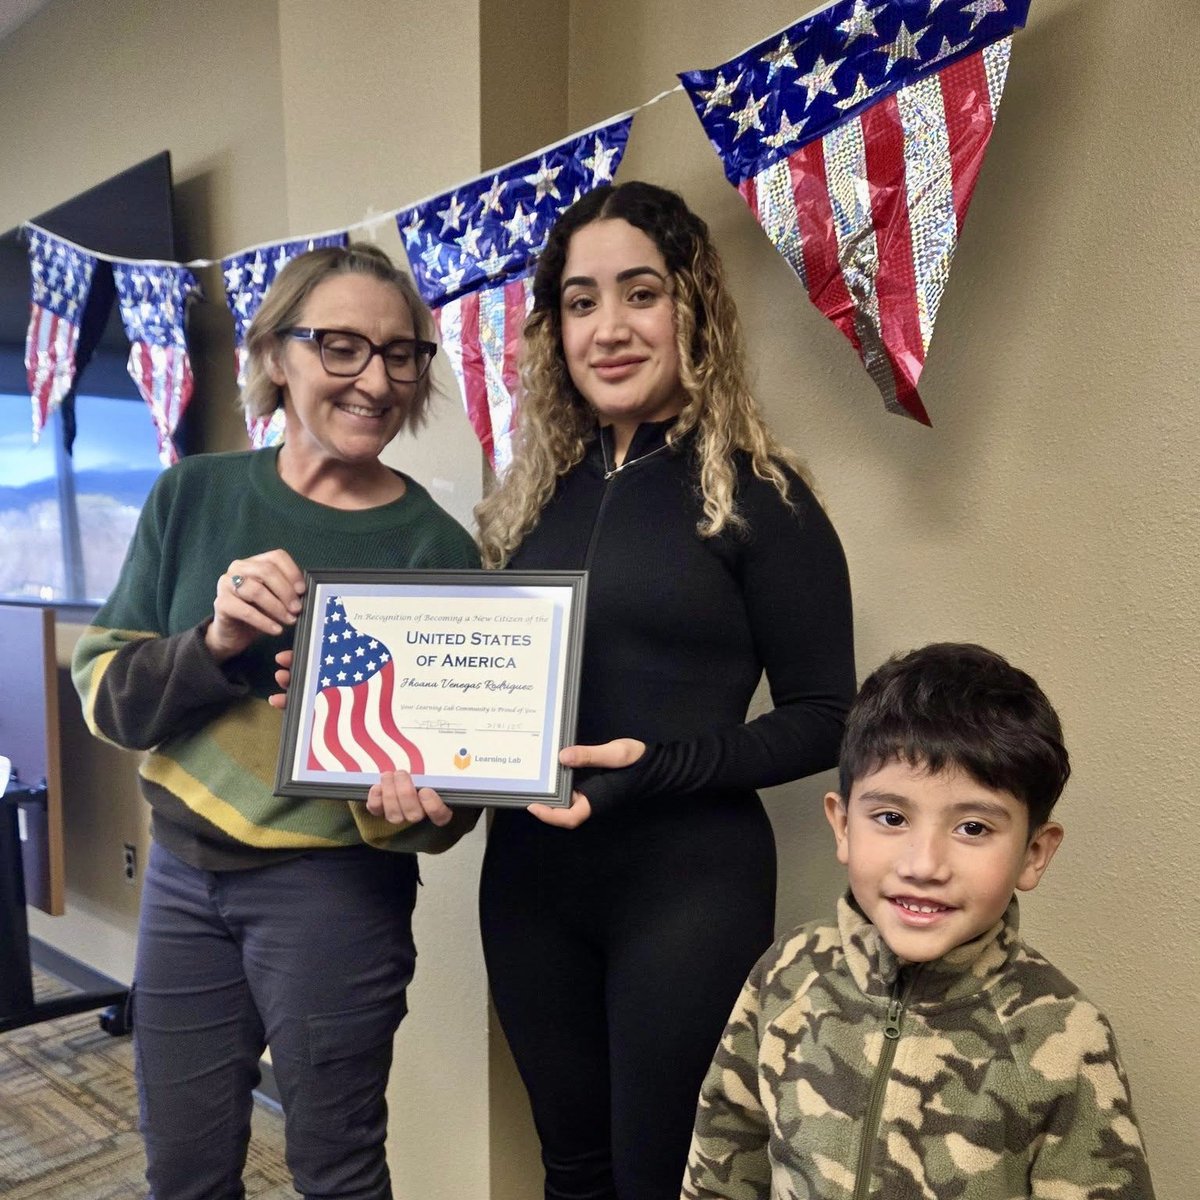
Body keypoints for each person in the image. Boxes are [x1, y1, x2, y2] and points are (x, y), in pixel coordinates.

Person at [459, 180, 854, 1200]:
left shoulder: (762, 492)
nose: (610, 327)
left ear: (693, 308)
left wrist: (663, 768)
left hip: (687, 884)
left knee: (664, 1177)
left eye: (640, 293)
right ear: (555, 330)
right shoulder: (526, 501)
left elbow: (832, 717)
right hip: (530, 886)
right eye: (582, 302)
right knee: (573, 1167)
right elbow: (476, 693)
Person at [71, 243, 479, 1200]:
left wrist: (406, 796)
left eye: (400, 353)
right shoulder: (192, 495)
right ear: (277, 355)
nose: (373, 380)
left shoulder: (438, 549)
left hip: (332, 894)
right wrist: (212, 644)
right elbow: (107, 696)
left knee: (335, 1167)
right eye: (339, 346)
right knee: (183, 1162)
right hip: (181, 874)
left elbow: (456, 805)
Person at [683, 642, 1156, 1200]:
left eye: (973, 828)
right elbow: (722, 1160)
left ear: (1034, 853)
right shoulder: (785, 975)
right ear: (842, 826)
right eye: (891, 817)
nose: (923, 865)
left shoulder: (1067, 1037)